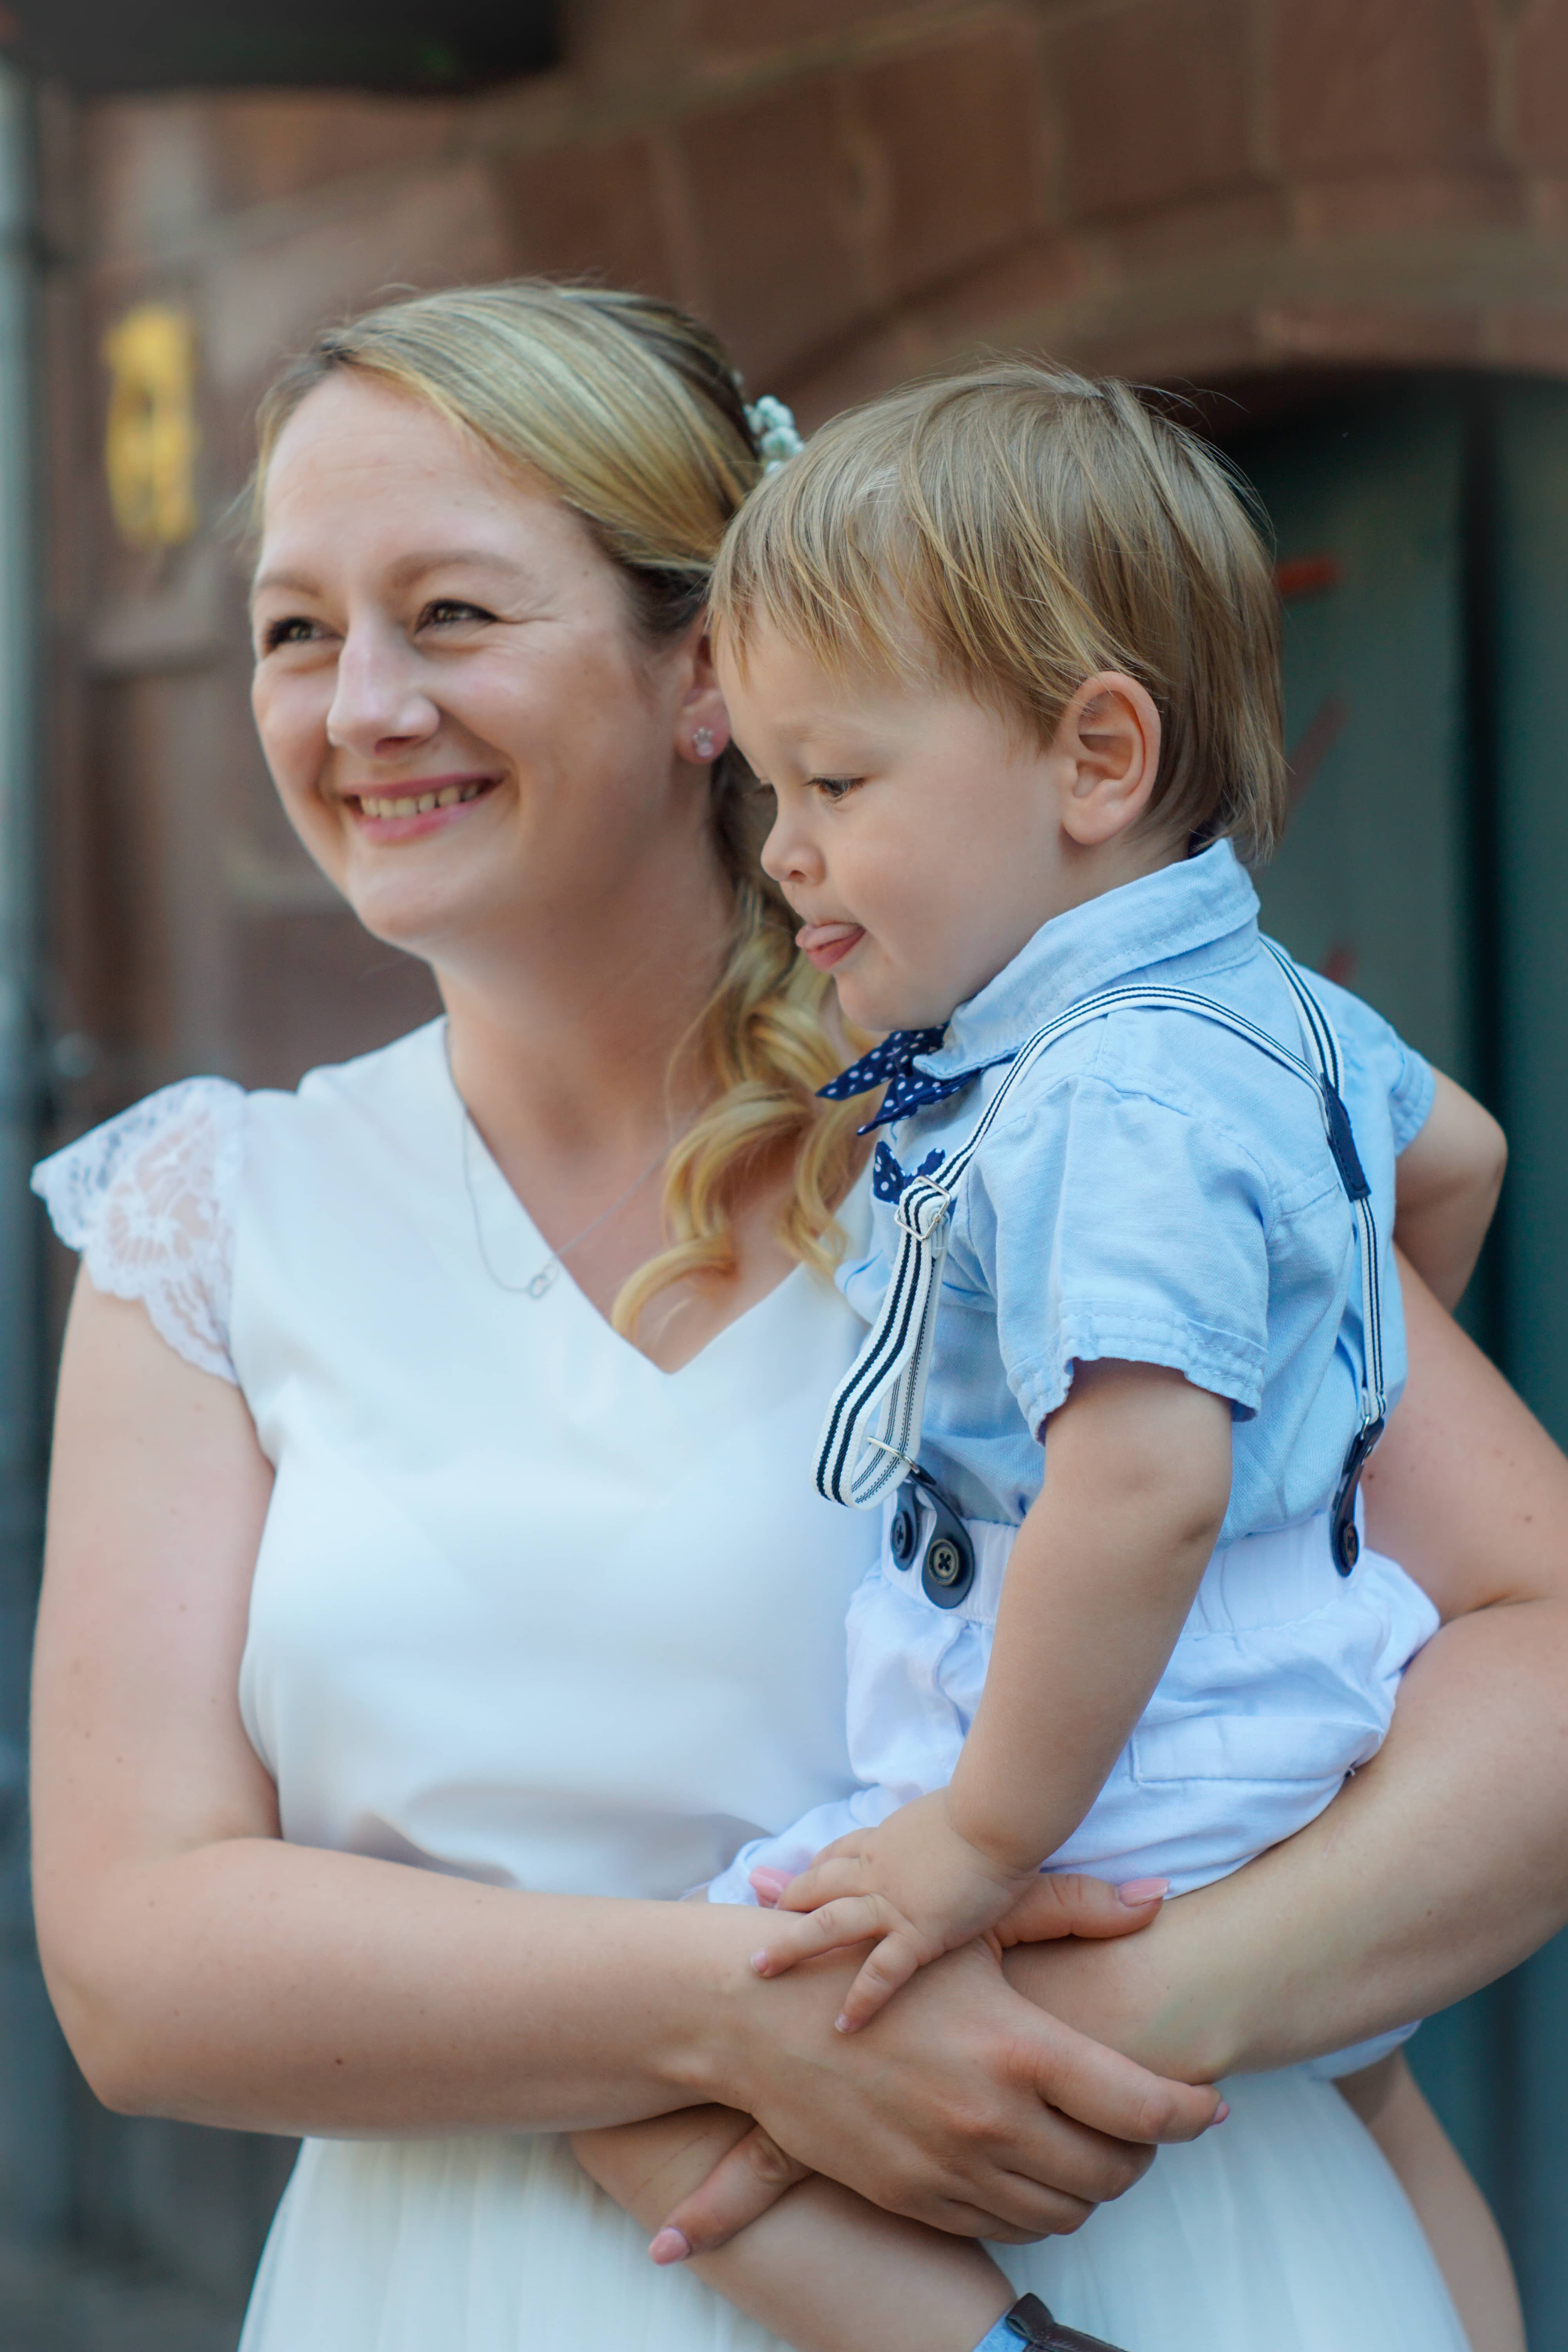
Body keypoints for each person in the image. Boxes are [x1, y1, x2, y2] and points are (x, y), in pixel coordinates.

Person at [24, 281, 1556, 2352]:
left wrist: (1084, 2032)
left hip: (1143, 2255)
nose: (358, 705)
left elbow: (1536, 1654)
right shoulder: (219, 1219)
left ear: (706, 680)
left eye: (453, 616)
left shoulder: (1066, 1119)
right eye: (297, 629)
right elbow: (137, 1961)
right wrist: (756, 2037)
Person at [567, 364, 1515, 2352]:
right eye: (773, 796)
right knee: (1370, 2096)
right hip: (1297, 1701)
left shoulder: (1108, 1098)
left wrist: (976, 1838)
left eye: (835, 786)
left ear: (1094, 759)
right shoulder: (1253, 993)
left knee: (647, 2062)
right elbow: (1455, 1162)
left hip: (1117, 1764)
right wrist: (1325, 1400)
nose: (782, 854)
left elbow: (1144, 1485)